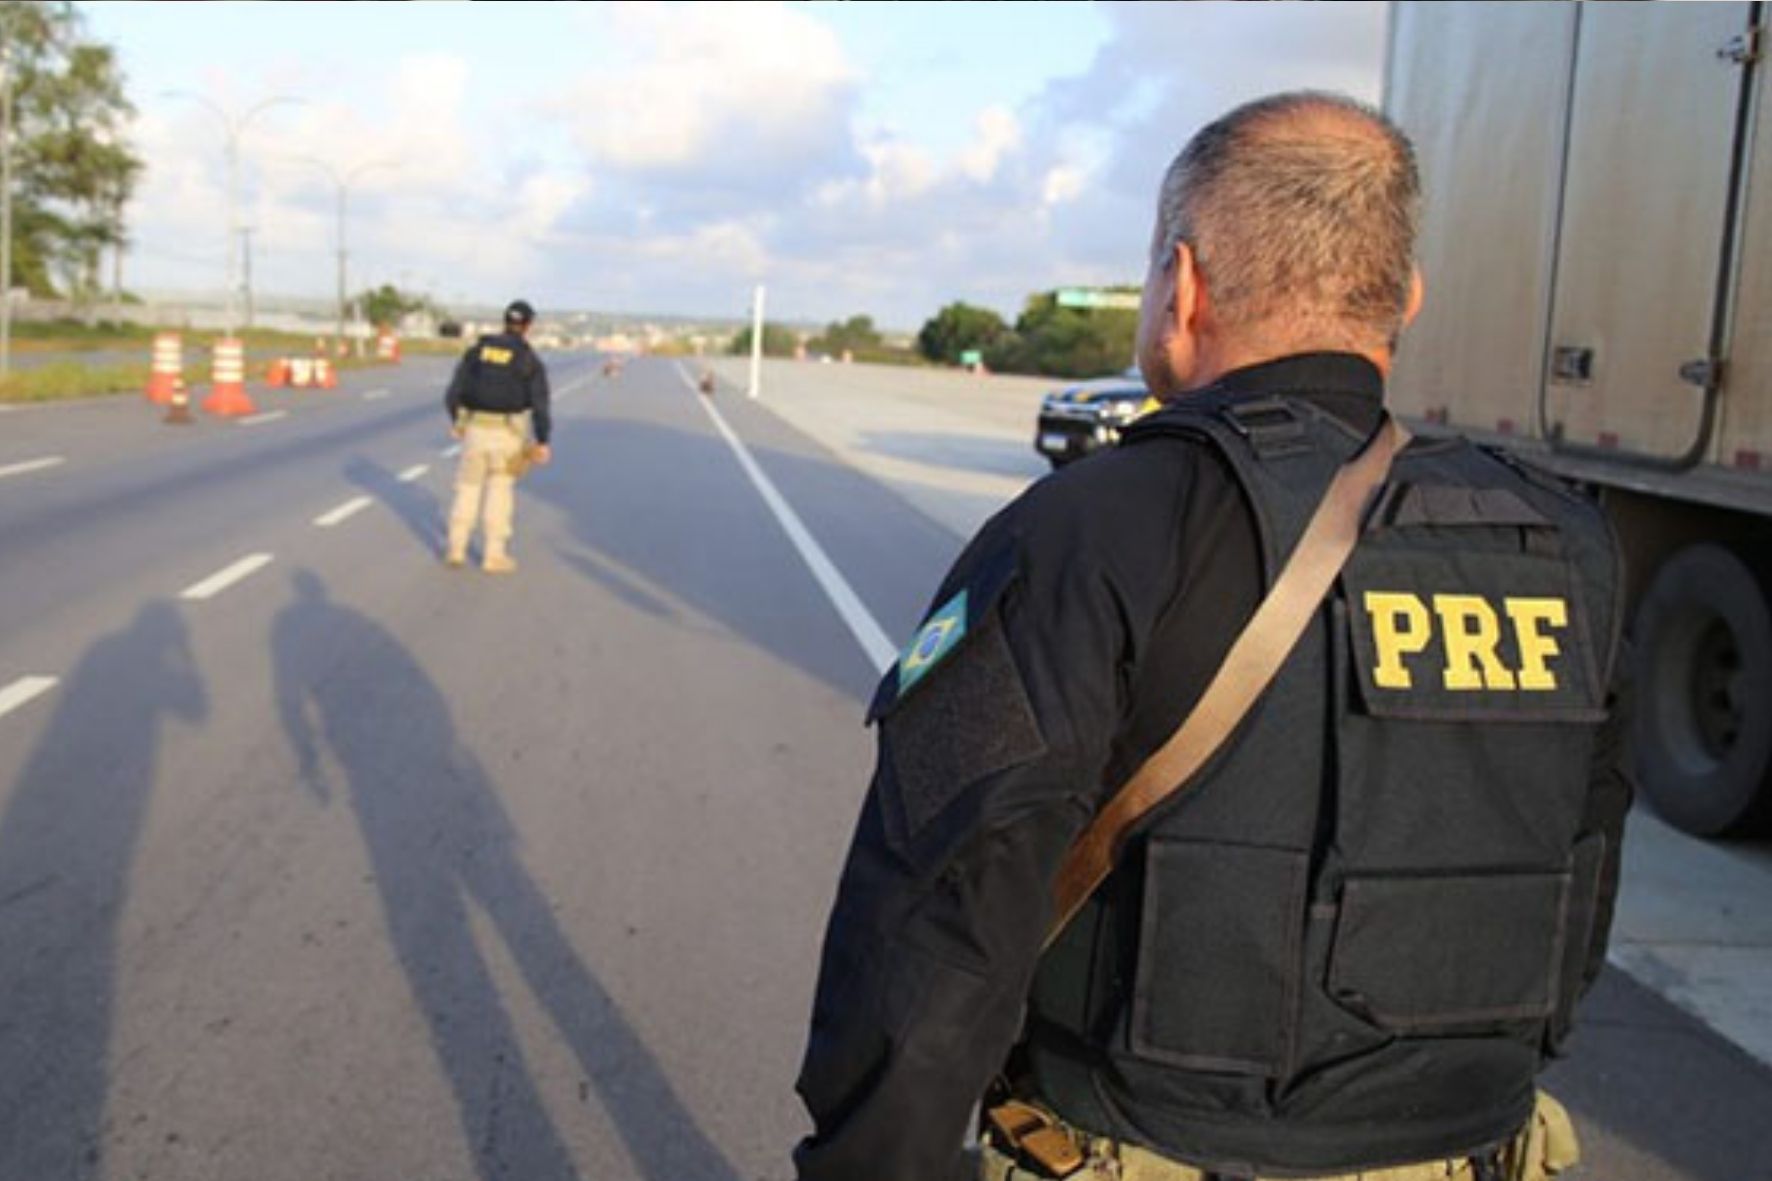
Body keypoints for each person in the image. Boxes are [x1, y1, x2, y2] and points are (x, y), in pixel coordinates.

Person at [793, 91, 1630, 1181]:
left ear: (1180, 286)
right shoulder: (1561, 538)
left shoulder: (1092, 528)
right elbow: (1581, 875)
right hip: (1474, 1152)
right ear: (1406, 297)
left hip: (1137, 1144)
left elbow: (948, 903)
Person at [443, 299, 552, 573]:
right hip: (508, 434)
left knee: (468, 488)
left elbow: (454, 392)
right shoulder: (528, 358)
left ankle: (456, 547)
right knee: (499, 490)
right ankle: (493, 555)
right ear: (528, 325)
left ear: (505, 321)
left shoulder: (478, 351)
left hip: (475, 431)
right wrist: (542, 440)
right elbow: (540, 404)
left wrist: (457, 421)